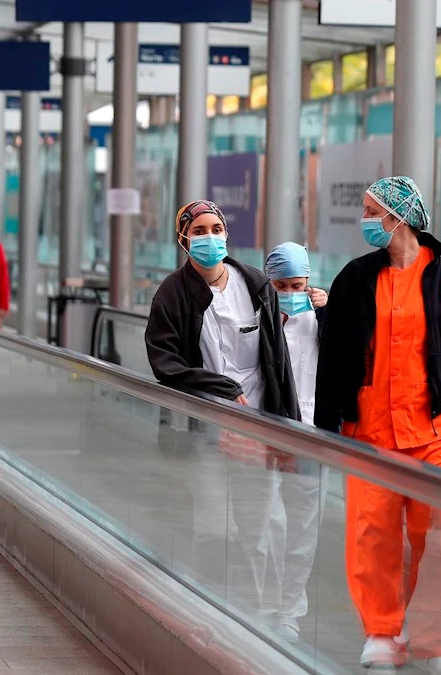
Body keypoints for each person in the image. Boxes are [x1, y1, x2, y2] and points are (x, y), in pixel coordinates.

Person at [315, 176, 441, 674]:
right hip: (369, 431)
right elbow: (334, 358)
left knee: (436, 535)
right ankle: (382, 632)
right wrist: (326, 428)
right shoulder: (355, 277)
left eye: (373, 211)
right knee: (373, 534)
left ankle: (433, 644)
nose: (366, 220)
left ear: (401, 216)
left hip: (436, 430)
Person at [144, 199, 299, 622]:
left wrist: (289, 431)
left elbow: (278, 361)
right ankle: (208, 612)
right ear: (183, 239)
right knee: (212, 525)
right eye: (199, 231)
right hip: (206, 430)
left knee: (259, 528)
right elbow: (165, 361)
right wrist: (222, 388)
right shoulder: (173, 294)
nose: (209, 238)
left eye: (216, 229)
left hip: (260, 426)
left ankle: (261, 615)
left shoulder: (254, 285)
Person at [262, 242, 328, 640]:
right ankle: (266, 602)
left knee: (304, 525)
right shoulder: (259, 316)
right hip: (267, 432)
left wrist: (328, 311)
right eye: (281, 285)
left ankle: (290, 609)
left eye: (297, 284)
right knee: (270, 521)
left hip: (310, 434)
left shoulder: (320, 317)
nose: (290, 292)